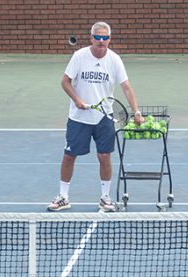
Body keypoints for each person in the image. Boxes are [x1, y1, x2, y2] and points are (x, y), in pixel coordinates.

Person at [47, 21, 144, 213]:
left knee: (104, 156)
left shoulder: (115, 60)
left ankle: (105, 198)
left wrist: (137, 112)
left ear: (109, 39)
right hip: (78, 117)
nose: (101, 41)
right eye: (97, 37)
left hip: (103, 117)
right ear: (91, 38)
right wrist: (76, 100)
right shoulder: (79, 56)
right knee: (69, 156)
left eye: (105, 38)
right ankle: (63, 197)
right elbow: (65, 82)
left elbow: (126, 87)